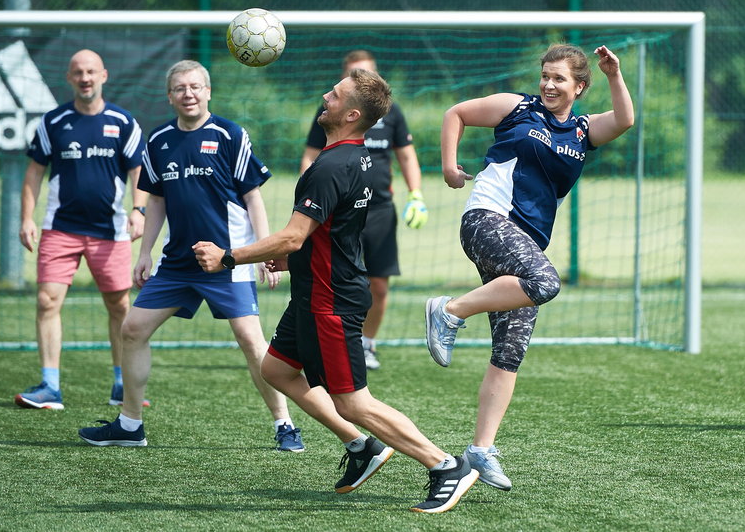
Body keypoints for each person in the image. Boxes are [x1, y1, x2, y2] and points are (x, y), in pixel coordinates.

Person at [194, 68, 478, 513]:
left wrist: (228, 256)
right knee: (276, 370)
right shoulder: (360, 157)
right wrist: (297, 257)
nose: (324, 96)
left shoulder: (328, 166)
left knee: (352, 401)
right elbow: (329, 231)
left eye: (335, 94)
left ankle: (444, 465)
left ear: (350, 114)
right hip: (314, 292)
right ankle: (361, 448)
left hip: (331, 301)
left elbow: (292, 235)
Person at [425, 44, 635, 491]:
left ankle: (480, 450)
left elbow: (624, 121)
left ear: (580, 86)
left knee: (510, 351)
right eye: (545, 75)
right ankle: (449, 311)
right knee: (544, 280)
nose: (549, 84)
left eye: (559, 78)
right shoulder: (517, 107)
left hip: (524, 246)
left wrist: (615, 74)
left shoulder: (582, 130)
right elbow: (455, 113)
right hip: (487, 221)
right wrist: (448, 168)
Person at [78, 60, 305, 452]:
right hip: (179, 263)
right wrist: (145, 252)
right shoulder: (160, 140)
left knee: (251, 342)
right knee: (132, 329)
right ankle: (130, 425)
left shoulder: (230, 135)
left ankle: (284, 425)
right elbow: (158, 199)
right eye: (181, 88)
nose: (189, 94)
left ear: (208, 92)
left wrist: (263, 252)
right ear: (170, 96)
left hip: (228, 260)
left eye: (196, 86)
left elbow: (253, 196)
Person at [15, 49, 149, 410]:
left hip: (110, 230)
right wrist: (26, 218)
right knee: (47, 301)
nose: (85, 78)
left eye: (91, 71)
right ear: (69, 78)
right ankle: (49, 385)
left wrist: (139, 210)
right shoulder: (53, 122)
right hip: (61, 228)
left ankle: (122, 384)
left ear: (103, 75)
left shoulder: (123, 122)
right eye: (78, 72)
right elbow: (33, 174)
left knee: (119, 304)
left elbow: (139, 172)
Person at [300, 50, 427, 370]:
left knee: (378, 283)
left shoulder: (392, 113)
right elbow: (310, 156)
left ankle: (367, 343)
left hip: (379, 209)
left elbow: (407, 155)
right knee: (331, 275)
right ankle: (322, 337)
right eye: (353, 72)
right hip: (339, 210)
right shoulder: (330, 110)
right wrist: (308, 195)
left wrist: (416, 195)